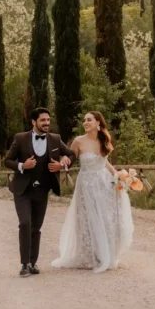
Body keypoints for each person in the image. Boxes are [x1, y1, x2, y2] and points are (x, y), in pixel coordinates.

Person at [52, 111, 134, 273]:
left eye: (89, 120)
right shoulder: (78, 141)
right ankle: (91, 255)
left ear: (98, 123)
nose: (85, 122)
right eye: (84, 120)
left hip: (104, 184)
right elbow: (69, 157)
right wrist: (62, 163)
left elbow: (105, 162)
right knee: (88, 217)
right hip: (87, 185)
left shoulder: (104, 140)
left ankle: (107, 254)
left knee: (105, 217)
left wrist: (118, 176)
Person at [4, 108, 75, 277]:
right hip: (23, 190)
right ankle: (24, 264)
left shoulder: (55, 139)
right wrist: (22, 166)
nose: (47, 123)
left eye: (48, 120)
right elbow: (7, 160)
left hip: (42, 190)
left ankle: (33, 262)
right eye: (43, 120)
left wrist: (63, 165)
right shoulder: (21, 138)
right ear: (33, 122)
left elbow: (71, 154)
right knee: (25, 223)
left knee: (36, 227)